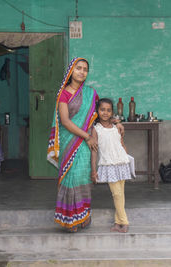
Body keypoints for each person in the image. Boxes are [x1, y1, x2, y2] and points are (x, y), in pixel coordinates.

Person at [47, 57, 99, 232]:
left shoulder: (91, 93)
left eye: (85, 69)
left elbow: (98, 116)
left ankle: (83, 215)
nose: (82, 72)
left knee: (83, 178)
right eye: (78, 68)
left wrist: (116, 122)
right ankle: (70, 219)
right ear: (71, 71)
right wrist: (87, 137)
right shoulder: (64, 93)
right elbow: (66, 121)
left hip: (85, 144)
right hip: (70, 140)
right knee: (71, 178)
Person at [90, 98, 131, 233]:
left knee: (121, 194)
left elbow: (122, 144)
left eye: (108, 110)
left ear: (112, 112)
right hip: (109, 164)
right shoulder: (96, 130)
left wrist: (127, 159)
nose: (105, 113)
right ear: (97, 111)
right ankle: (124, 222)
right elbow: (94, 151)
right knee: (116, 194)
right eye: (102, 110)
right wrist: (94, 170)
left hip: (122, 163)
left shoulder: (116, 128)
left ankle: (118, 222)